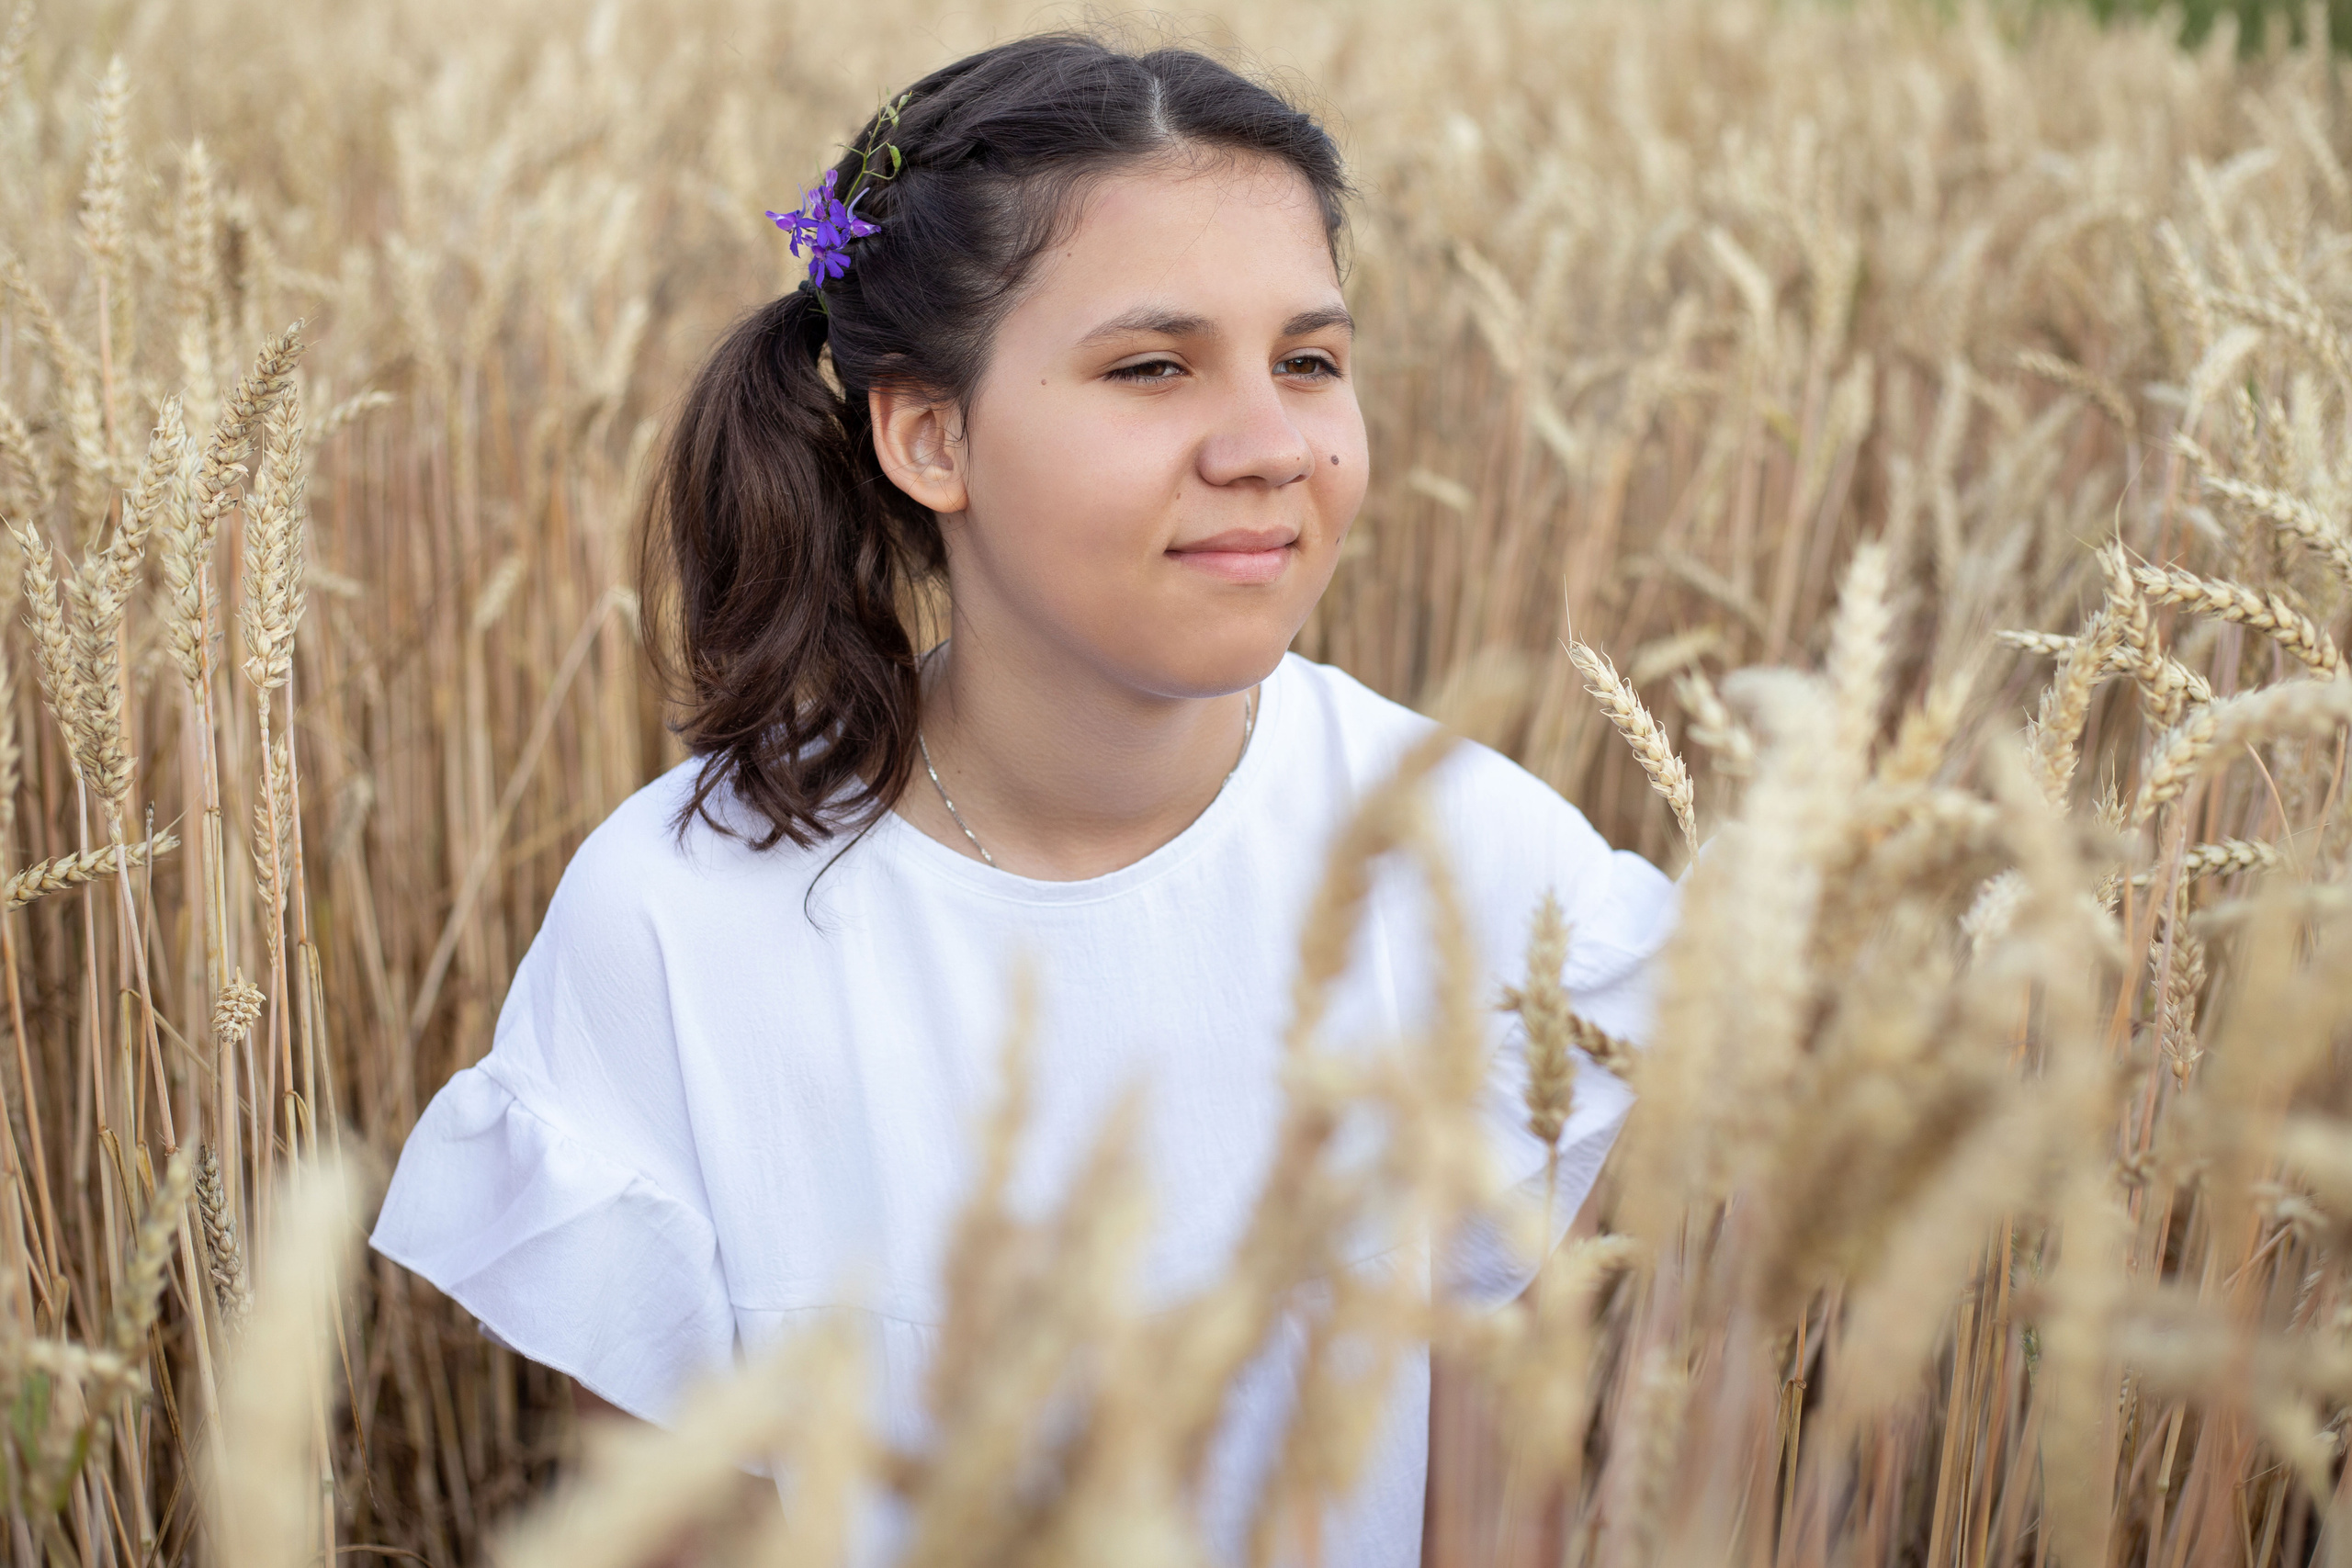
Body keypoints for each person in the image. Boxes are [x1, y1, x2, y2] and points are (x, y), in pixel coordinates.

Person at [368, 29, 1675, 1566]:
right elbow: (675, 1540)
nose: (1271, 447)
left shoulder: (1486, 870)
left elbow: (1495, 1526)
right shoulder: (678, 916)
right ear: (931, 434)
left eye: (1309, 359)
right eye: (1152, 367)